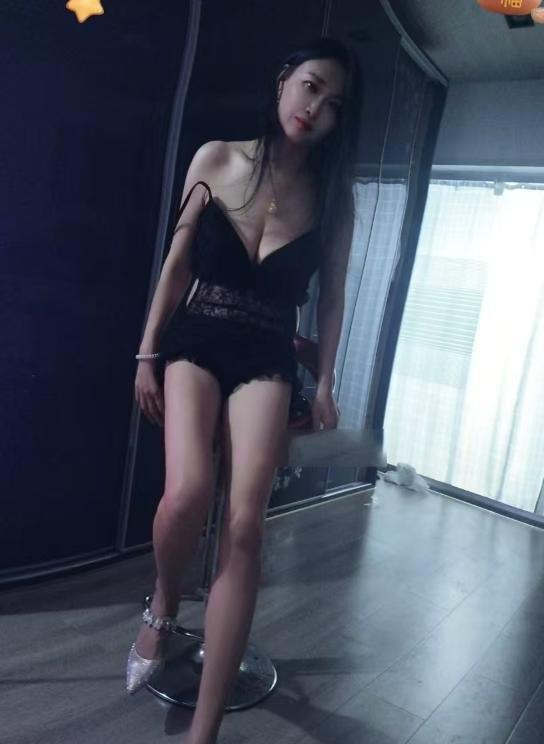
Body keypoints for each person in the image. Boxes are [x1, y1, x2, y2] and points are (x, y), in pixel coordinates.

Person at [126, 36, 363, 744]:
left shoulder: (334, 197)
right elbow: (177, 264)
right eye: (311, 86)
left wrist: (326, 382)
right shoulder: (216, 158)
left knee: (244, 525)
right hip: (196, 339)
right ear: (285, 79)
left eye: (334, 103)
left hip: (267, 352)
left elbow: (332, 298)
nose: (315, 108)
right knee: (187, 493)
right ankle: (164, 603)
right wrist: (146, 352)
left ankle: (203, 733)